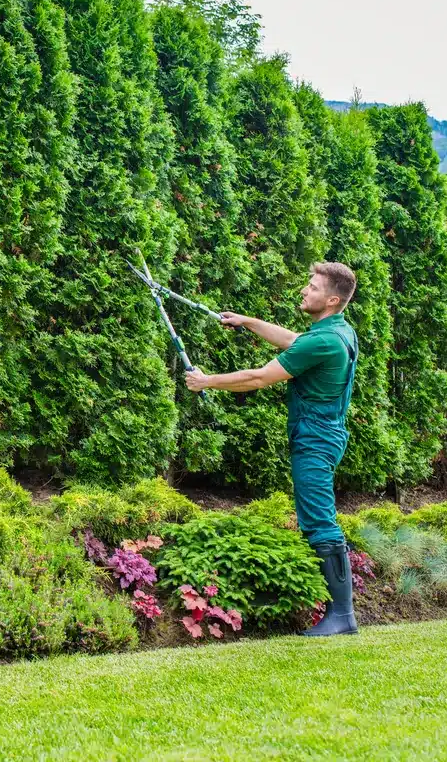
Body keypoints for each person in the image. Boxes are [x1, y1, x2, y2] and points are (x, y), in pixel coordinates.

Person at [184, 262, 360, 636]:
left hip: (315, 439)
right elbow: (292, 341)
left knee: (319, 521)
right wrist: (247, 321)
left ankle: (342, 615)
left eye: (312, 287)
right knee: (318, 517)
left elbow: (260, 377)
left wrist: (206, 381)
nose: (303, 291)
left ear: (331, 298)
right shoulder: (336, 332)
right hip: (323, 434)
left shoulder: (325, 340)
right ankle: (340, 613)